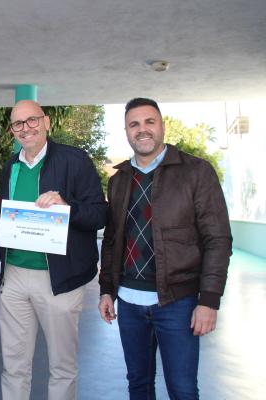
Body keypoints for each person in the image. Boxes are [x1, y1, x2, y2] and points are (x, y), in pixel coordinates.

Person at [98, 98, 232, 399]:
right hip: (129, 302)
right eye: (134, 124)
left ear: (162, 126)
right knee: (138, 385)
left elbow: (218, 239)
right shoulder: (119, 180)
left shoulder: (196, 172)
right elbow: (112, 239)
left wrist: (209, 300)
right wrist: (107, 289)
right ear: (126, 131)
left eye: (150, 121)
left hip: (178, 303)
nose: (142, 129)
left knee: (182, 389)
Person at [0, 100, 107, 400]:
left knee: (62, 367)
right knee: (14, 366)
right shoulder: (11, 166)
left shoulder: (75, 160)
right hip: (14, 276)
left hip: (59, 279)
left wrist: (67, 207)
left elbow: (100, 214)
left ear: (46, 121)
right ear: (12, 130)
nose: (25, 128)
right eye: (17, 124)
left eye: (31, 120)